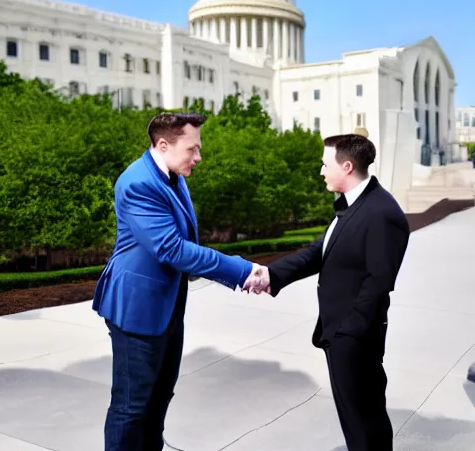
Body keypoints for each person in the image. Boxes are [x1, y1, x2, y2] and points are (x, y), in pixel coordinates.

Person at [93, 112, 263, 451]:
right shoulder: (137, 182)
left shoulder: (174, 172)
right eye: (193, 149)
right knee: (131, 407)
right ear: (163, 144)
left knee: (159, 397)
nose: (198, 157)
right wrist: (241, 270)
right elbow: (171, 249)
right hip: (136, 309)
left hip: (167, 306)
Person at [245, 134, 410, 451]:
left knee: (365, 420)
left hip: (355, 339)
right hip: (340, 334)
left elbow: (378, 282)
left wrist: (349, 333)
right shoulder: (354, 205)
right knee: (354, 417)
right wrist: (270, 274)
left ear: (346, 166)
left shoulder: (381, 213)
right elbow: (317, 254)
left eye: (325, 164)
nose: (321, 171)